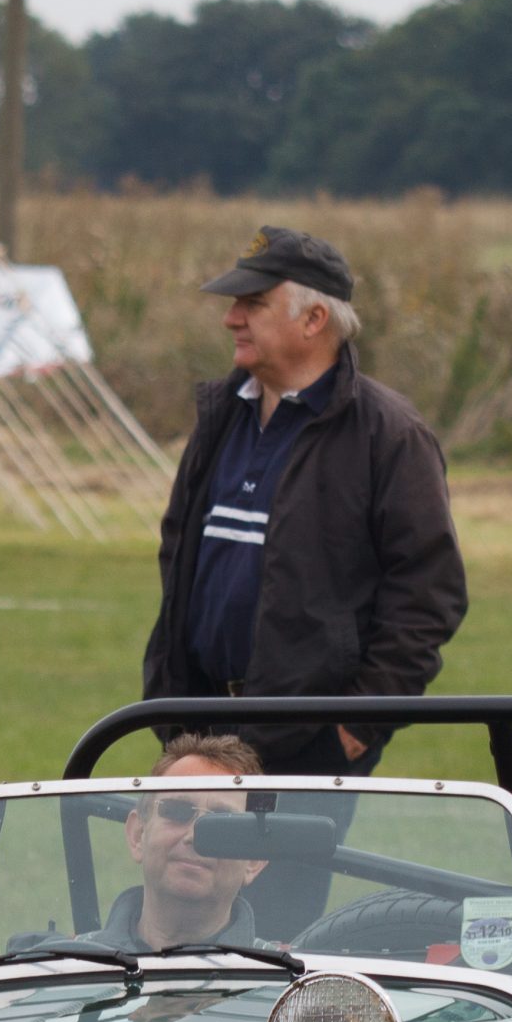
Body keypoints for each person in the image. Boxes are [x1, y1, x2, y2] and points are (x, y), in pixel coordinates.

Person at [141, 226, 466, 933]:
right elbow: (180, 551)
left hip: (306, 750)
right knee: (173, 924)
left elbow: (429, 594)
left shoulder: (388, 434)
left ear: (314, 319)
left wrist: (356, 726)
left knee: (274, 938)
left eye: (252, 303)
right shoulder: (222, 413)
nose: (231, 318)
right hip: (194, 738)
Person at [88, 735, 268, 950]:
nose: (194, 836)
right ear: (137, 835)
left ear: (253, 860)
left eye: (223, 822)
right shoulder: (65, 965)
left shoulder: (291, 978)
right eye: (176, 811)